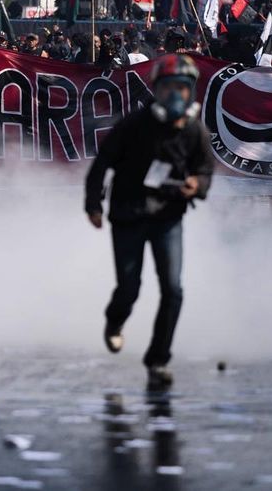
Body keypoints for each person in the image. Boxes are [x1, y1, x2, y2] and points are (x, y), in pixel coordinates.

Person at [84, 54, 213, 389]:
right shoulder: (134, 125)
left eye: (181, 89)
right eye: (168, 87)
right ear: (156, 90)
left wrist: (196, 185)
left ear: (191, 92)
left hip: (168, 216)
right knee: (130, 288)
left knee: (173, 290)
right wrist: (93, 205)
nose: (175, 95)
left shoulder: (195, 131)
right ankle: (114, 323)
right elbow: (101, 164)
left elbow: (204, 170)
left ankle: (158, 360)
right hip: (128, 214)